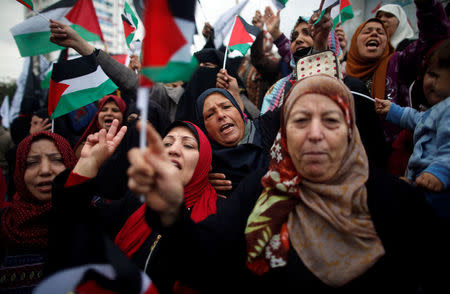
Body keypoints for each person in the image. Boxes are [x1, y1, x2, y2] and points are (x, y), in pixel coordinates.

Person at [127, 74, 449, 293]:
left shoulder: (393, 200)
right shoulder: (262, 189)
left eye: (331, 120)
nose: (315, 133)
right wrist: (171, 213)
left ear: (351, 132)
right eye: (300, 120)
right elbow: (203, 262)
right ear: (283, 132)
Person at [48, 119, 221, 293]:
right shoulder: (136, 201)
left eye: (188, 146)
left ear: (204, 161)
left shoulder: (221, 215)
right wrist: (89, 163)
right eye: (166, 143)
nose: (173, 150)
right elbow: (74, 222)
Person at [346, 0, 450, 145]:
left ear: (387, 43)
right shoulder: (341, 72)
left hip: (389, 156)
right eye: (367, 31)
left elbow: (433, 39)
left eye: (380, 32)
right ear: (355, 43)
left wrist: (426, 5)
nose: (374, 34)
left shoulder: (397, 63)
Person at [375, 38, 450, 218]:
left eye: (440, 75)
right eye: (430, 74)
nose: (432, 82)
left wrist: (440, 173)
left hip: (439, 189)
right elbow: (416, 118)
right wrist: (392, 110)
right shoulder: (436, 110)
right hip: (421, 182)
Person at [0, 132, 76, 293]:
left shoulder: (95, 218)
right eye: (32, 162)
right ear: (19, 171)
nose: (45, 170)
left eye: (56, 160)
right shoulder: (5, 225)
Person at [194, 88, 280, 197]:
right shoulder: (207, 167)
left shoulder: (269, 126)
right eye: (210, 115)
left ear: (239, 111)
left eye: (226, 107)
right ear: (204, 129)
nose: (220, 115)